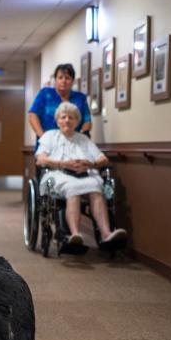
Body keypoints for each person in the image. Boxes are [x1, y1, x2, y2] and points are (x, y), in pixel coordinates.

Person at [35, 102, 126, 248]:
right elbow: (40, 159)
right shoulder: (49, 136)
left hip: (84, 175)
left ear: (77, 121)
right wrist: (63, 164)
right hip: (57, 174)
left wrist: (90, 164)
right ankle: (75, 234)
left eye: (71, 117)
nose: (67, 120)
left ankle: (106, 234)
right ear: (57, 120)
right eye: (63, 117)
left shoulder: (83, 139)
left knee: (96, 186)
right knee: (73, 187)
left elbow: (103, 159)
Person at [28, 63, 91, 150]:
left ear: (72, 81)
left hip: (73, 146)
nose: (63, 81)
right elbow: (32, 115)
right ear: (55, 80)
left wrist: (82, 136)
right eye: (60, 77)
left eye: (67, 78)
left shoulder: (80, 98)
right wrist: (43, 137)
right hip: (48, 146)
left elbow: (87, 120)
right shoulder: (45, 94)